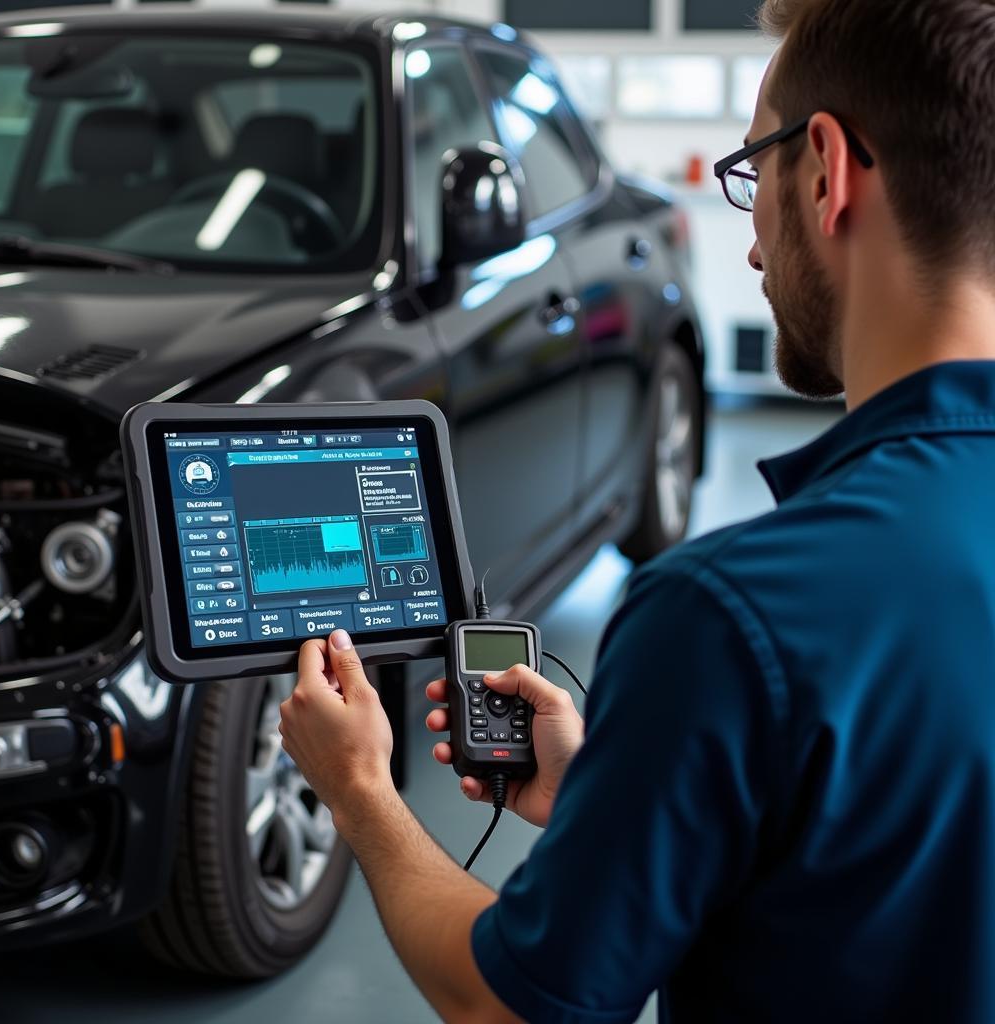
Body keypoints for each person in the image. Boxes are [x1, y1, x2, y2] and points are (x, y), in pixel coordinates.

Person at [279, 1, 995, 1019]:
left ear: (826, 171)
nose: (750, 247)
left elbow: (509, 1003)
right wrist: (611, 800)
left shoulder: (730, 616)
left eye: (752, 174)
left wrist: (358, 789)